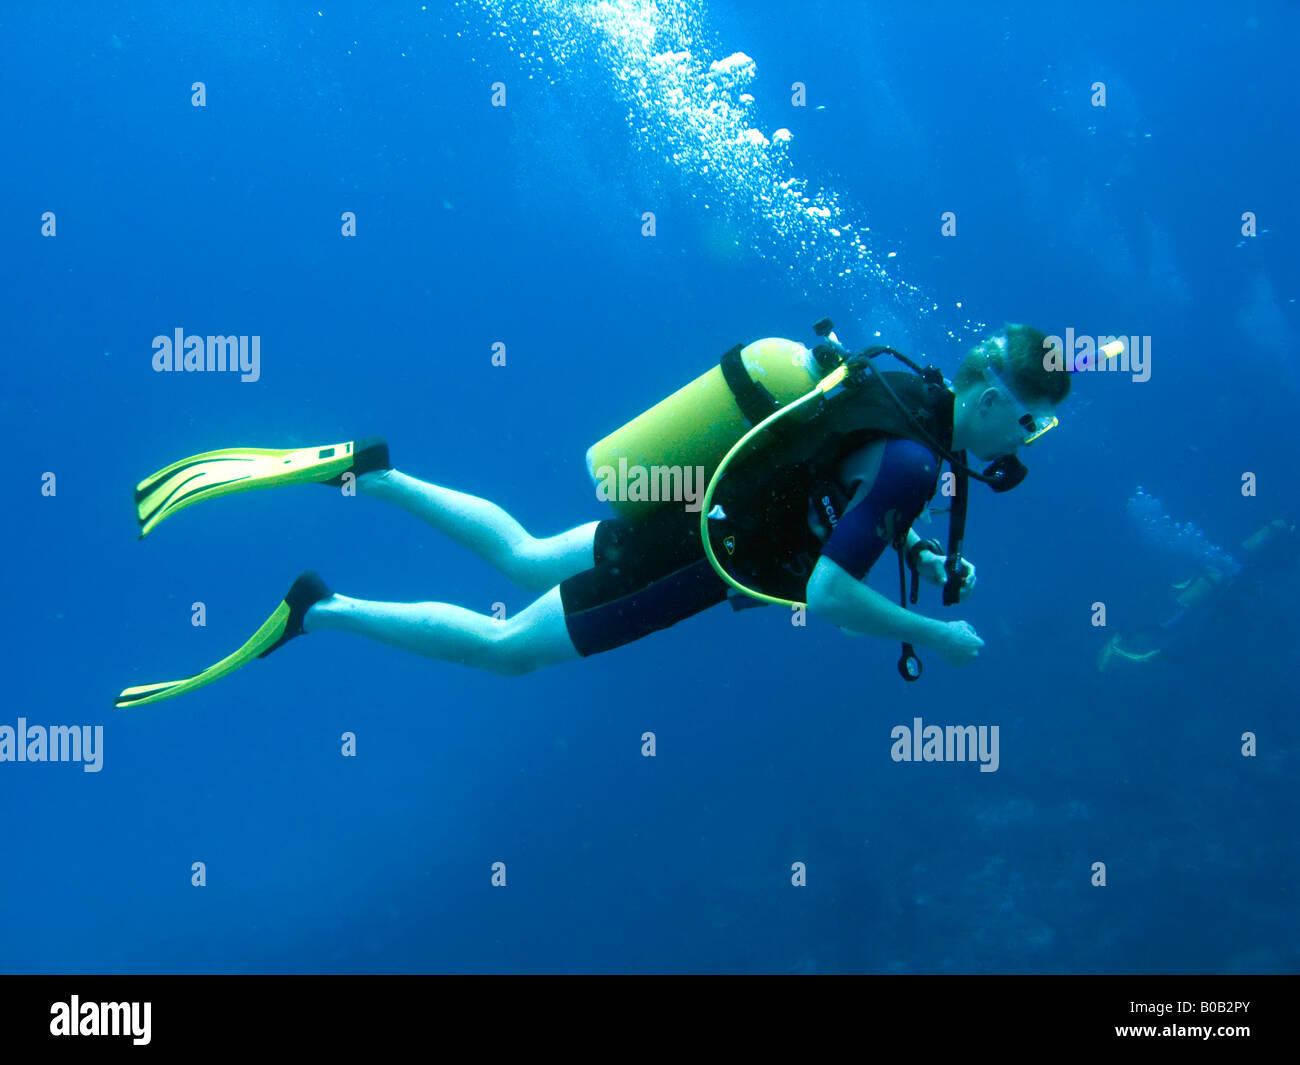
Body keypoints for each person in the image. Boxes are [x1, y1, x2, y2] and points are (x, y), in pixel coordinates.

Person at [116, 322, 1069, 708]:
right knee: (507, 652)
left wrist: (914, 549)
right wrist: (931, 633)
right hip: (704, 558)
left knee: (530, 551)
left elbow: (837, 480)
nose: (1027, 437)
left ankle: (372, 472)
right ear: (986, 392)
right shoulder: (914, 457)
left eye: (1043, 424)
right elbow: (824, 590)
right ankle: (319, 607)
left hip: (698, 501)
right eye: (1027, 417)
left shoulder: (902, 391)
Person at [1097, 518, 1297, 672]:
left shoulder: (1273, 540)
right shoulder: (1283, 545)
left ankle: (1131, 640)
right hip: (1224, 589)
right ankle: (1129, 641)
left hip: (1221, 584)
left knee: (1176, 624)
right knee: (1175, 625)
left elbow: (1249, 559)